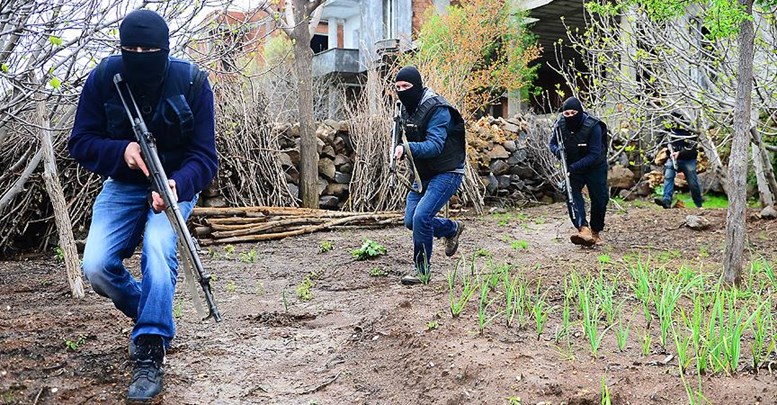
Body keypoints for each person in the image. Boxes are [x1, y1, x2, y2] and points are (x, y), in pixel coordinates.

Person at [68, 10, 217, 401]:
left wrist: (176, 183)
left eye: (148, 49)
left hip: (174, 186)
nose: (139, 55)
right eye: (130, 48)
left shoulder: (193, 82)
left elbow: (205, 157)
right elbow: (80, 141)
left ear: (165, 49)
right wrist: (123, 151)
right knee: (97, 266)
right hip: (123, 184)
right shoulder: (104, 78)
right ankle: (154, 313)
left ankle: (150, 347)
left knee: (158, 246)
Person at [393, 66, 466, 285]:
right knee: (411, 221)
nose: (402, 91)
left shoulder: (438, 109)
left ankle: (422, 271)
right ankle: (452, 228)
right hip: (423, 174)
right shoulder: (404, 109)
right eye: (397, 87)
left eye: (406, 86)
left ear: (418, 85)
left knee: (421, 217)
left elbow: (434, 145)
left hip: (448, 171)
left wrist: (406, 148)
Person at [549, 96, 609, 247]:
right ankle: (583, 229)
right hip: (573, 166)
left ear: (580, 112)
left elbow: (595, 154)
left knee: (600, 199)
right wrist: (558, 151)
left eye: (573, 113)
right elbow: (552, 144)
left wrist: (573, 167)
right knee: (571, 194)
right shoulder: (559, 125)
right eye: (566, 114)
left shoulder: (593, 126)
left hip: (595, 166)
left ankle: (595, 231)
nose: (569, 117)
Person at [654, 112, 703, 209]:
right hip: (672, 158)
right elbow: (659, 140)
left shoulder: (689, 130)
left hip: (688, 159)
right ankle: (666, 201)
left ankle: (699, 204)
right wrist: (664, 130)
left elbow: (692, 147)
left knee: (693, 183)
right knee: (668, 176)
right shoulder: (669, 131)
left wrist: (680, 153)